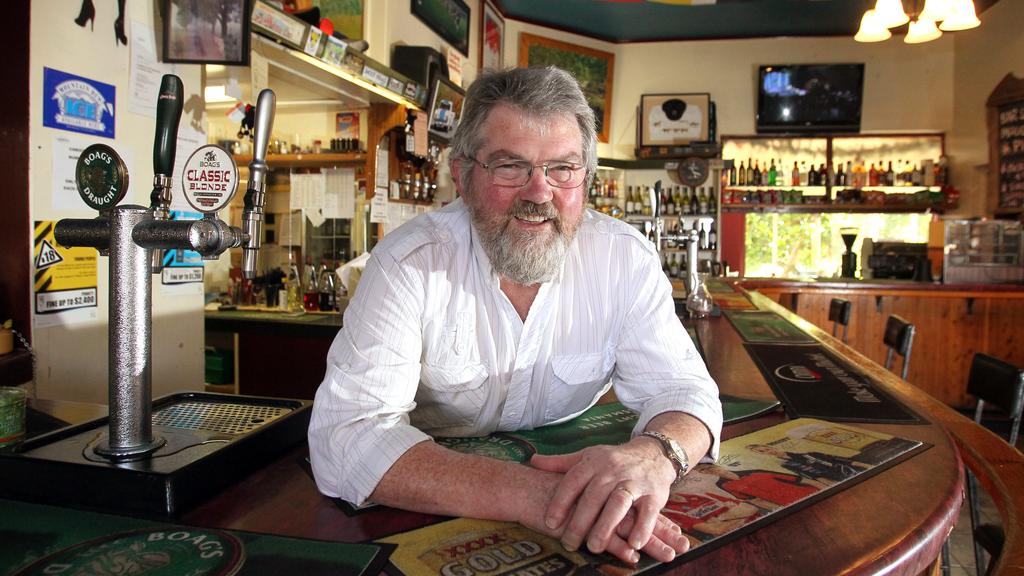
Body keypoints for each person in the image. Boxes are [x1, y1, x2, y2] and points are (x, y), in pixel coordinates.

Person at [308, 66, 722, 566]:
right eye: (510, 167)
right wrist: (547, 498)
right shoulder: (409, 263)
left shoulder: (624, 259)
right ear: (462, 176)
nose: (539, 193)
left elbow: (686, 390)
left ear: (586, 179)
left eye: (563, 169)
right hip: (427, 505)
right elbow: (348, 436)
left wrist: (655, 455)